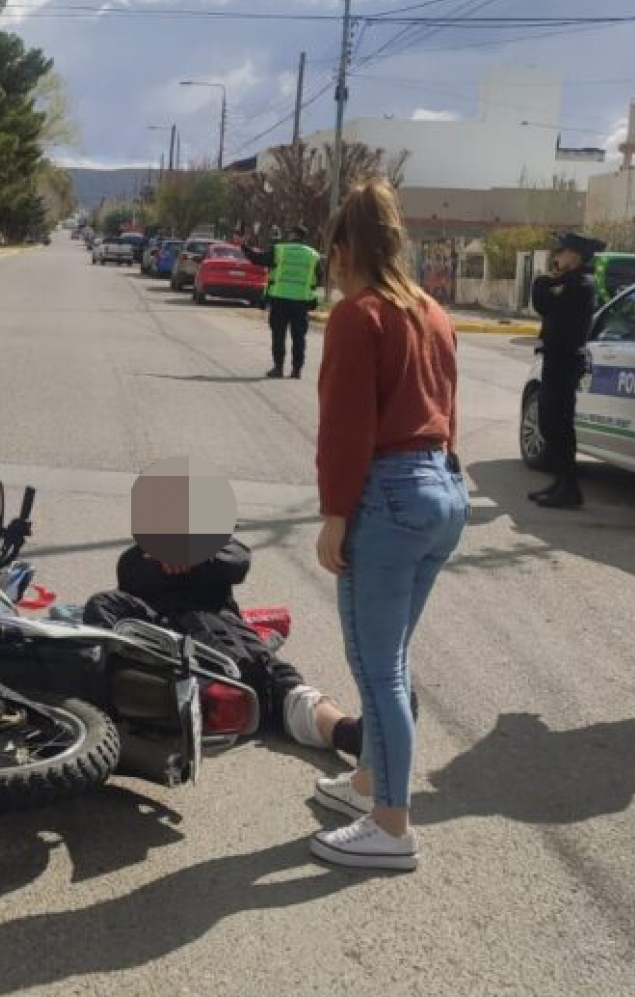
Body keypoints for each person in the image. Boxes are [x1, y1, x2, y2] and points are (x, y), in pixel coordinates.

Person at [309, 178, 469, 873]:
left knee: (378, 671)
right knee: (393, 658)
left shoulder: (359, 314)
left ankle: (392, 823)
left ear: (343, 250)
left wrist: (334, 516)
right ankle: (370, 782)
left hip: (390, 496)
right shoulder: (433, 310)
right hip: (442, 488)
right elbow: (448, 406)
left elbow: (345, 430)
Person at [83, 540, 373, 758]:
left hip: (237, 644)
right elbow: (115, 598)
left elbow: (238, 562)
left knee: (285, 685)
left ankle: (353, 736)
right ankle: (103, 693)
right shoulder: (134, 560)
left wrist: (195, 554)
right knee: (103, 608)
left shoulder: (219, 549)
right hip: (176, 643)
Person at [528, 232, 604, 509]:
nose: (557, 256)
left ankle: (569, 487)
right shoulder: (567, 282)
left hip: (565, 362)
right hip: (556, 359)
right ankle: (561, 482)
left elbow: (544, 303)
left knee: (559, 423)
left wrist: (541, 282)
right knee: (550, 422)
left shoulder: (581, 284)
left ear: (577, 255)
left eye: (562, 251)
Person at [244, 228, 324, 379]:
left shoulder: (279, 250)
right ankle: (296, 370)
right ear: (304, 238)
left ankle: (278, 368)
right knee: (299, 337)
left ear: (292, 235)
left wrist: (244, 247)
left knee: (279, 335)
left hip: (279, 299)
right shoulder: (313, 255)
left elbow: (258, 259)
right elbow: (319, 278)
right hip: (301, 301)